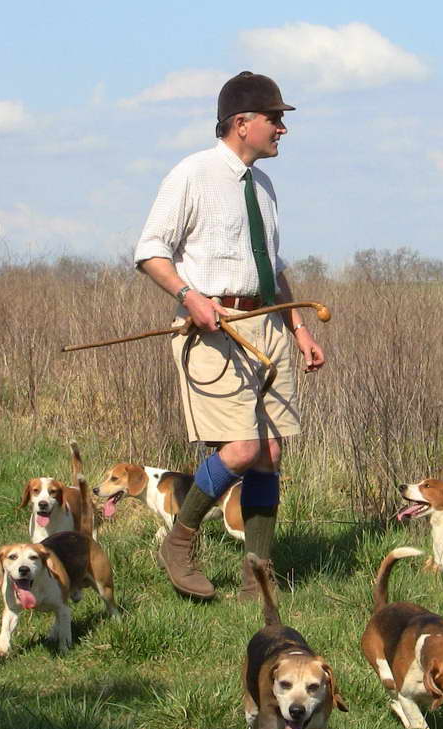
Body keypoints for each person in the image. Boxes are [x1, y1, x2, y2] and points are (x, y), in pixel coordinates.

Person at [134, 71, 325, 601]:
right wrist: (190, 296)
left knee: (270, 454)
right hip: (214, 331)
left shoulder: (263, 186)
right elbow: (150, 251)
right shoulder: (191, 174)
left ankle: (257, 577)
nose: (282, 129)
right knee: (241, 449)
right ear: (242, 123)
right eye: (275, 118)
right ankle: (179, 542)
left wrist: (299, 327)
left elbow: (273, 268)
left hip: (269, 327)